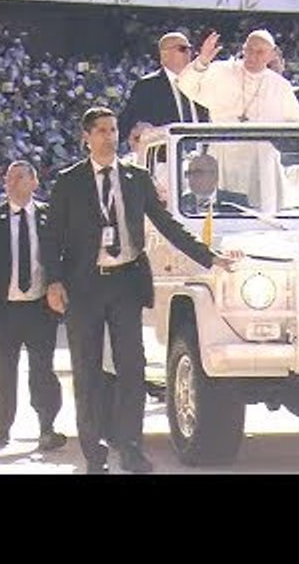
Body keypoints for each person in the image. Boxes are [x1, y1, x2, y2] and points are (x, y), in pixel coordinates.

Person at [41, 107, 238, 474]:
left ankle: (131, 446)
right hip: (83, 286)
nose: (108, 136)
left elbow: (167, 224)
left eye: (113, 130)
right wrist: (53, 281)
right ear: (86, 137)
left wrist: (209, 257)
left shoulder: (136, 177)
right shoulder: (69, 181)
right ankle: (93, 450)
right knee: (87, 369)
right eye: (100, 130)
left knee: (132, 368)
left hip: (125, 283)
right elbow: (51, 237)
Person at [0, 161, 68, 451]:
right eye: (8, 176)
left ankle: (47, 427)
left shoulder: (52, 218)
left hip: (40, 308)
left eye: (19, 176)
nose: (11, 181)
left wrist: (58, 285)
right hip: (2, 311)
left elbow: (64, 256)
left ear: (35, 182)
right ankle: (3, 427)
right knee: (2, 370)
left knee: (42, 370)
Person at [176, 29, 299, 210]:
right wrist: (203, 60)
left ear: (271, 55)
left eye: (260, 52)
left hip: (260, 161)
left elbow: (297, 126)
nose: (252, 56)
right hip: (223, 154)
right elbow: (185, 85)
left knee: (263, 215)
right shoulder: (222, 71)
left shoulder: (280, 86)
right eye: (249, 50)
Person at [118, 31, 210, 147]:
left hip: (205, 157)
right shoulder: (147, 87)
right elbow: (128, 124)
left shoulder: (201, 81)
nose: (189, 53)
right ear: (164, 55)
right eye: (182, 49)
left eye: (190, 49)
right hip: (166, 158)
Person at [179, 153, 250, 214]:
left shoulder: (237, 202)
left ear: (214, 176)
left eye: (198, 173)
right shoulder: (180, 203)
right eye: (188, 173)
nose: (191, 178)